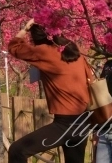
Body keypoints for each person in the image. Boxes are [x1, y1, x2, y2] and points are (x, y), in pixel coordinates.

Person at [7, 20, 92, 163]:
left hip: (66, 123)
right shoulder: (73, 49)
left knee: (17, 150)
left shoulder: (45, 51)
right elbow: (90, 78)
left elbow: (14, 47)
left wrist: (25, 29)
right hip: (84, 120)